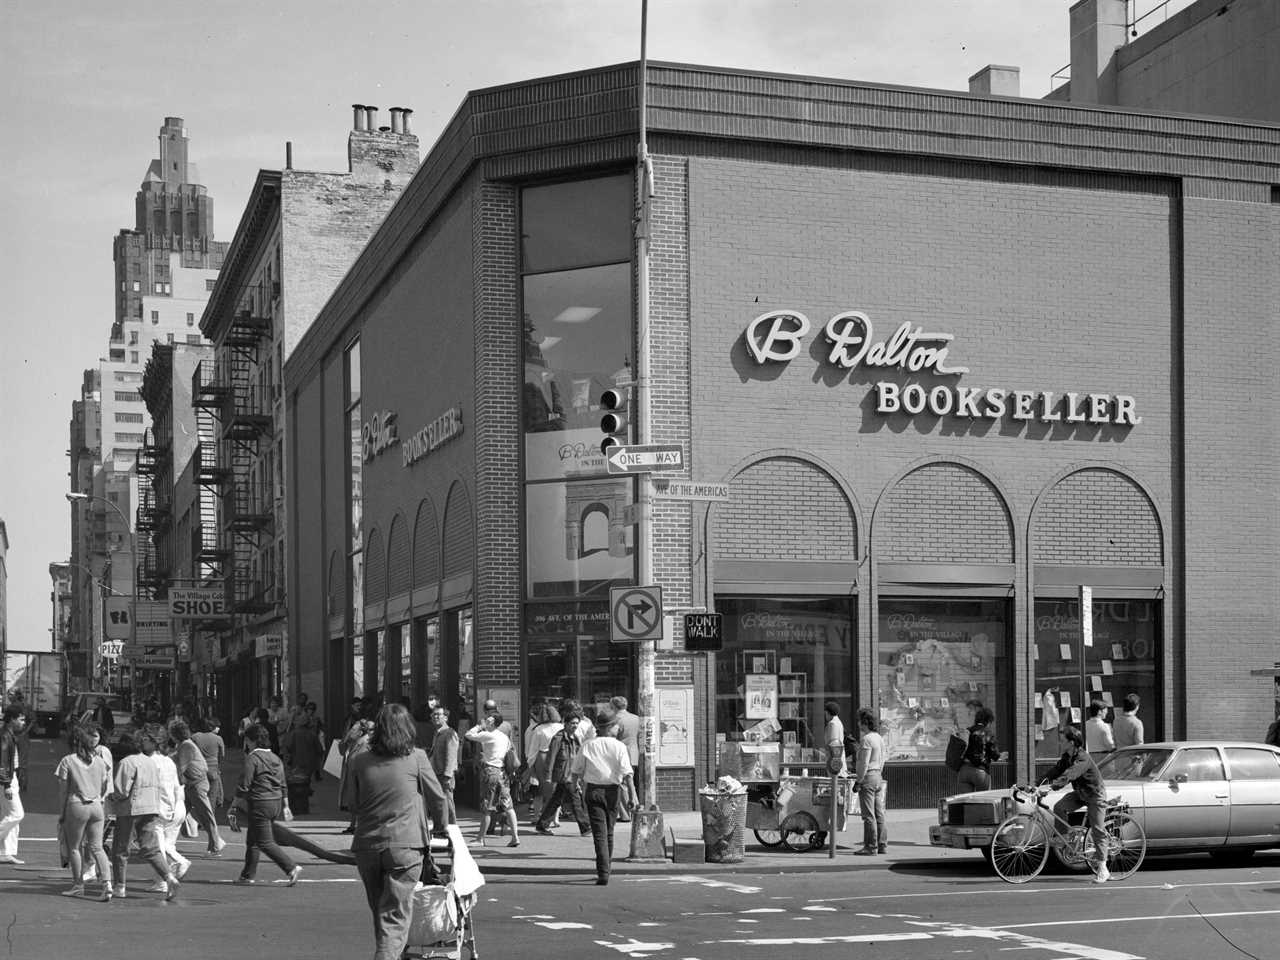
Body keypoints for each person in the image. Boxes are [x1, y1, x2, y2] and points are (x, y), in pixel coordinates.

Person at [350, 703, 448, 960]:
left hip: (367, 845)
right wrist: (441, 827)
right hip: (405, 845)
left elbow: (352, 802)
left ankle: (393, 953)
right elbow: (438, 798)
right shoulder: (416, 757)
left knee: (381, 912)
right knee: (394, 916)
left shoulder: (359, 760)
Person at [228, 723, 302, 887]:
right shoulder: (275, 758)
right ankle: (247, 875)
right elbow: (283, 783)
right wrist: (286, 805)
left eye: (246, 740)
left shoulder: (253, 758)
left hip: (260, 802)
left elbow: (244, 785)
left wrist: (233, 806)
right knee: (253, 840)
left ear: (250, 740)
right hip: (275, 802)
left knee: (264, 842)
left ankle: (290, 867)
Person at [110, 732, 181, 900]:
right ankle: (169, 877)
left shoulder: (126, 763)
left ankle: (120, 885)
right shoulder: (150, 762)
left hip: (130, 809)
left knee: (121, 848)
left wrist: (111, 797)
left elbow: (122, 790)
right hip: (151, 808)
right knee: (151, 847)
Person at [570, 714, 637, 885]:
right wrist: (632, 796)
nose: (618, 728)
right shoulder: (619, 746)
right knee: (609, 832)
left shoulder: (587, 745)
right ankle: (607, 868)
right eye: (616, 726)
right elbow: (627, 773)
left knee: (599, 833)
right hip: (613, 792)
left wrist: (575, 786)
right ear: (609, 727)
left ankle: (603, 872)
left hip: (593, 791)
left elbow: (576, 770)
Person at [1041, 724, 1110, 883]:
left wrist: (1052, 787)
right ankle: (1065, 836)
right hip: (1080, 794)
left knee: (1097, 830)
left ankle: (1103, 869)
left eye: (1062, 740)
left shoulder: (1083, 757)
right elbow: (1055, 771)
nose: (1060, 743)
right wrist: (1036, 785)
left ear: (1071, 742)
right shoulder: (1067, 757)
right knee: (1060, 807)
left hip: (1094, 795)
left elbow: (1070, 774)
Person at [54, 724, 114, 900]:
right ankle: (107, 884)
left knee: (74, 847)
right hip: (96, 806)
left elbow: (63, 791)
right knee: (97, 846)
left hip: (77, 804)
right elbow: (104, 786)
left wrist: (61, 813)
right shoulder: (101, 762)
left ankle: (78, 885)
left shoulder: (68, 761)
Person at [534, 701, 590, 836]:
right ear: (565, 723)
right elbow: (551, 757)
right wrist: (548, 775)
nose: (575, 726)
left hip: (572, 773)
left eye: (577, 723)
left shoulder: (575, 738)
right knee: (575, 801)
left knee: (556, 800)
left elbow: (577, 757)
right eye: (572, 723)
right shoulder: (558, 738)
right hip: (563, 774)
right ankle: (585, 827)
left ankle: (542, 825)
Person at [464, 711, 520, 847]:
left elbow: (468, 735)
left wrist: (479, 726)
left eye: (487, 720)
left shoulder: (488, 735)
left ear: (492, 722)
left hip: (490, 772)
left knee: (487, 806)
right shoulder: (504, 737)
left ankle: (480, 839)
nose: (484, 720)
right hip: (502, 773)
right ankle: (515, 837)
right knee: (508, 806)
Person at [171, 719, 226, 856]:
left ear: (174, 734)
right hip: (192, 784)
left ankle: (215, 846)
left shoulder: (186, 746)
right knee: (179, 813)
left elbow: (181, 768)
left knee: (206, 815)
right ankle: (168, 843)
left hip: (196, 784)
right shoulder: (183, 745)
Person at [149, 735, 191, 891]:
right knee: (167, 845)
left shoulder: (153, 762)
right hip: (178, 806)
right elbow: (175, 787)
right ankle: (170, 871)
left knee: (157, 846)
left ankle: (163, 880)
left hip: (162, 808)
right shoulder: (170, 763)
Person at [853, 708, 887, 856]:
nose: (858, 723)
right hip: (878, 776)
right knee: (879, 814)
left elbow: (863, 763)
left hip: (868, 777)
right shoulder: (878, 737)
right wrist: (878, 772)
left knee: (868, 815)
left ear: (865, 722)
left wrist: (858, 781)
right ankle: (882, 845)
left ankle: (870, 847)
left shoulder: (866, 739)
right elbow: (883, 758)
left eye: (860, 721)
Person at [524, 703, 562, 824]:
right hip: (558, 757)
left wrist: (530, 765)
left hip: (543, 757)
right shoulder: (561, 727)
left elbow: (533, 749)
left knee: (543, 789)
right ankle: (555, 817)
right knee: (556, 788)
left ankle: (543, 817)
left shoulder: (539, 729)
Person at [0, 705, 28, 864]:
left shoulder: (9, 733)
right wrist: (6, 784)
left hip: (10, 777)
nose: (23, 722)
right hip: (6, 780)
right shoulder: (4, 735)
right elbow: (2, 762)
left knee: (8, 815)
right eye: (21, 719)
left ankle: (6, 853)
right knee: (17, 814)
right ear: (12, 719)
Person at [428, 705, 459, 829]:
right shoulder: (438, 732)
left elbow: (451, 756)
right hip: (436, 773)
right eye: (433, 714)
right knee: (440, 803)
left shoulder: (449, 733)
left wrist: (447, 775)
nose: (435, 717)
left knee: (448, 803)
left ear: (445, 718)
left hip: (444, 775)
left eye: (438, 714)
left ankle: (453, 829)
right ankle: (442, 827)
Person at [610, 696, 640, 820]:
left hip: (621, 753)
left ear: (614, 706)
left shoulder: (617, 720)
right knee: (629, 781)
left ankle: (628, 813)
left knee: (622, 784)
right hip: (634, 752)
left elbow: (612, 735)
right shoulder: (636, 718)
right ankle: (633, 809)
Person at [957, 705, 1000, 792]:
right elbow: (995, 755)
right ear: (988, 721)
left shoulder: (967, 731)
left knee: (965, 801)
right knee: (982, 801)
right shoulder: (988, 733)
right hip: (980, 771)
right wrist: (1000, 755)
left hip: (964, 771)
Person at [191, 717, 227, 812]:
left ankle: (199, 819)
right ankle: (210, 820)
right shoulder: (218, 739)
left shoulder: (195, 737)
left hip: (198, 770)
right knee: (212, 797)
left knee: (199, 796)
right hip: (213, 770)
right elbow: (222, 755)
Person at [823, 701, 847, 776]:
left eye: (825, 713)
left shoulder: (832, 724)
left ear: (827, 712)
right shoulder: (839, 722)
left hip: (834, 762)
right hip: (838, 760)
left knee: (835, 784)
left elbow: (833, 743)